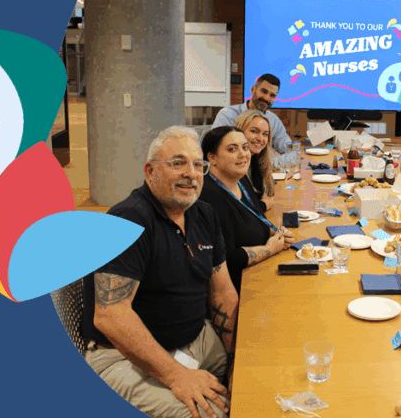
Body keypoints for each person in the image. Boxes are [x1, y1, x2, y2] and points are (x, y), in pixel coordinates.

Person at [81, 126, 238, 418]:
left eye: (197, 165)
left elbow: (222, 290)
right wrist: (178, 376)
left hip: (196, 340)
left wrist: (233, 353)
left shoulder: (204, 214)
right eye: (178, 163)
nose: (190, 173)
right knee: (214, 414)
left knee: (254, 371)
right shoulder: (129, 220)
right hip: (124, 356)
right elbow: (110, 316)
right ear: (150, 170)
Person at [199, 126, 295, 293]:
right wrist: (270, 248)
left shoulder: (240, 180)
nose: (243, 154)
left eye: (244, 147)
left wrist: (276, 234)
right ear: (211, 158)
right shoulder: (209, 197)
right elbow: (227, 259)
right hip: (238, 287)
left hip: (259, 270)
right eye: (232, 149)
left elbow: (258, 217)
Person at [211, 74, 292, 153]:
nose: (267, 98)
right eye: (264, 91)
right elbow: (215, 148)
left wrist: (275, 161)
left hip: (261, 165)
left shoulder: (274, 121)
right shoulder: (227, 115)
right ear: (253, 90)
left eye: (272, 95)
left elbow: (290, 150)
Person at [234, 109, 276, 211]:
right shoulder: (234, 164)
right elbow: (239, 210)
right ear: (240, 132)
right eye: (254, 131)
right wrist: (264, 205)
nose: (260, 139)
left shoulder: (258, 159)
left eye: (265, 134)